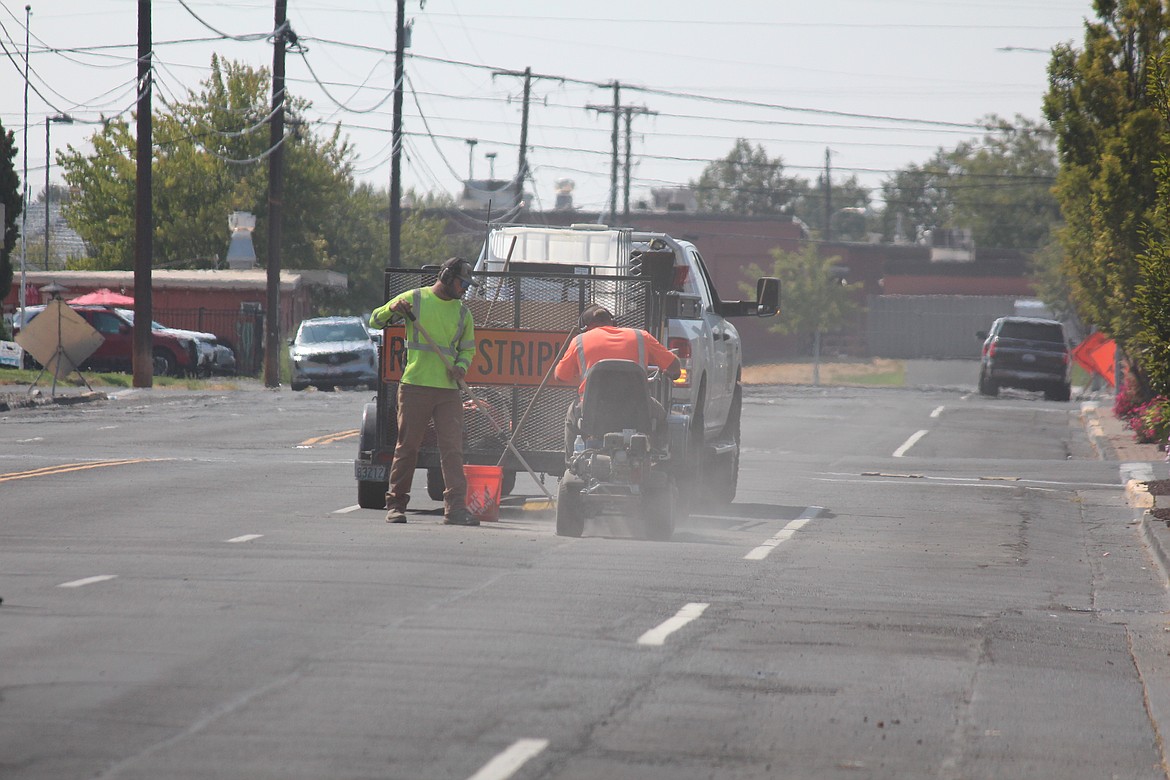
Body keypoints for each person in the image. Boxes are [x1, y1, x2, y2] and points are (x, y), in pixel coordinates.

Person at [369, 257, 479, 526]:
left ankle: (455, 509)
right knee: (407, 447)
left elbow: (468, 349)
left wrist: (461, 367)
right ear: (447, 277)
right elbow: (375, 320)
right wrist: (393, 308)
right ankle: (396, 505)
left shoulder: (463, 313)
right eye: (462, 283)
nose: (465, 289)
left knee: (453, 450)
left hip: (448, 390)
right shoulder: (415, 300)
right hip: (415, 386)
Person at [554, 304, 681, 454]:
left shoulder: (579, 341)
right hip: (637, 411)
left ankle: (572, 461)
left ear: (585, 328)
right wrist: (669, 371)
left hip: (594, 413)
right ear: (613, 323)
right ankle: (658, 456)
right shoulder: (641, 337)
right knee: (661, 416)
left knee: (571, 414)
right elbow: (674, 367)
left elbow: (560, 376)